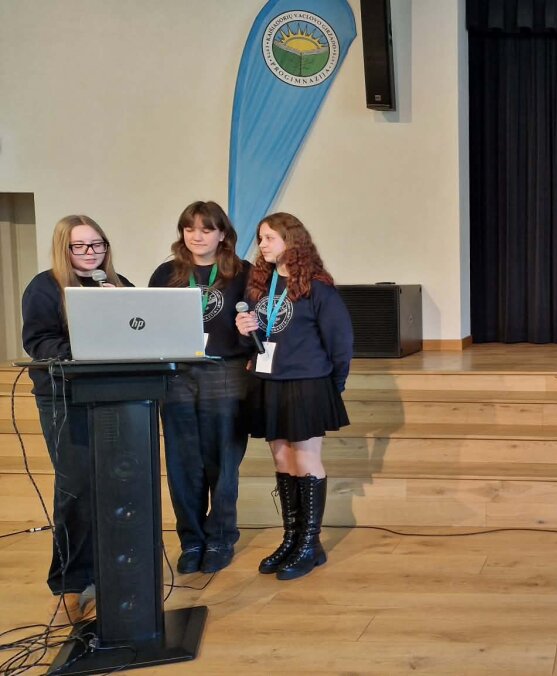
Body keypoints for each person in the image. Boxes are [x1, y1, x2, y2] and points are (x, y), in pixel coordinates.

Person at [21, 215, 131, 626]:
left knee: (118, 487)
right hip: (65, 399)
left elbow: (140, 333)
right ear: (63, 248)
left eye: (97, 244)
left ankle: (114, 576)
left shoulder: (119, 286)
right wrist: (90, 342)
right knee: (78, 490)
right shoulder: (44, 287)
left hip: (117, 399)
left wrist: (123, 313)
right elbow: (39, 342)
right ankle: (70, 583)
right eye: (80, 245)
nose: (90, 252)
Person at [235, 212, 352, 581]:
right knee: (282, 458)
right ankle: (292, 538)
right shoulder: (260, 285)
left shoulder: (318, 288)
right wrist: (244, 331)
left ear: (292, 241)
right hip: (269, 381)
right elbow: (255, 342)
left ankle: (310, 545)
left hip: (307, 383)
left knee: (305, 459)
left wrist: (333, 385)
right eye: (260, 238)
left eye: (269, 237)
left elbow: (341, 343)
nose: (262, 245)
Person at [148, 201, 252, 574]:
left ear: (222, 234)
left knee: (223, 462)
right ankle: (191, 540)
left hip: (226, 371)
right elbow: (149, 323)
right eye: (190, 228)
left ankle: (221, 538)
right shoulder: (167, 273)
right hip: (177, 374)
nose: (197, 236)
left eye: (206, 229)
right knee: (182, 463)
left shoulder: (243, 273)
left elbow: (258, 323)